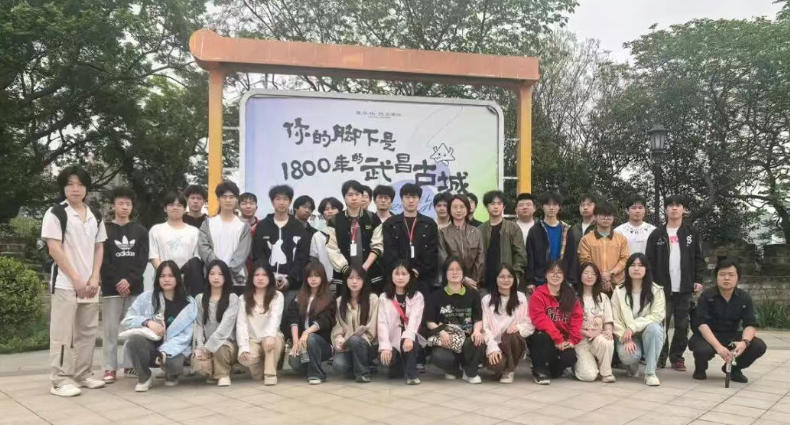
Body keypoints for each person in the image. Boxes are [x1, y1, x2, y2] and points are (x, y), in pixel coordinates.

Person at [42, 165, 108, 397]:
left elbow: (99, 247)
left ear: (87, 188)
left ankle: (83, 374)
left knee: (87, 332)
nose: (75, 188)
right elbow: (54, 248)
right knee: (63, 333)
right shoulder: (56, 213)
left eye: (80, 184)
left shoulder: (95, 215)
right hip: (65, 284)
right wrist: (76, 279)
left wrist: (94, 276)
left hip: (90, 285)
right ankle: (59, 380)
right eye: (70, 184)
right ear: (63, 187)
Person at [645, 195, 705, 371]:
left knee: (682, 325)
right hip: (662, 288)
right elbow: (649, 261)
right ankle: (660, 357)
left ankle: (677, 357)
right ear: (665, 210)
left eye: (678, 205)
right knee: (661, 324)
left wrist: (698, 279)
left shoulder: (691, 233)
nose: (674, 208)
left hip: (685, 288)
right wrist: (651, 284)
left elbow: (698, 257)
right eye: (670, 205)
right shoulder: (657, 234)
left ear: (683, 209)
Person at [121, 261, 197, 392]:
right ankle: (144, 377)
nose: (166, 279)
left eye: (170, 276)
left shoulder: (188, 303)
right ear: (157, 278)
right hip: (150, 347)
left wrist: (163, 352)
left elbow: (186, 336)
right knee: (133, 342)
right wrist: (147, 322)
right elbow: (127, 320)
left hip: (173, 350)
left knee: (174, 363)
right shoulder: (146, 298)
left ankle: (172, 374)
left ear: (177, 278)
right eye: (162, 276)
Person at [689, 258, 766, 383]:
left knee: (758, 345)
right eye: (722, 274)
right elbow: (702, 324)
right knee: (702, 350)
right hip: (708, 336)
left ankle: (733, 369)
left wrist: (744, 343)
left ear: (738, 277)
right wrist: (718, 347)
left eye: (731, 275)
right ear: (716, 277)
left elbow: (750, 324)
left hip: (731, 336)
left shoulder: (744, 298)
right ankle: (700, 368)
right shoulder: (707, 296)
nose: (726, 278)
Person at [100, 186, 149, 384]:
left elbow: (142, 259)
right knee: (110, 330)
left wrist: (129, 280)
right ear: (113, 206)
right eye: (120, 203)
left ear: (132, 206)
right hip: (111, 289)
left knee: (133, 328)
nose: (124, 207)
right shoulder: (104, 230)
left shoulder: (140, 231)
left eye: (128, 204)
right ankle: (109, 368)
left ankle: (130, 364)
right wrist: (117, 281)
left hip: (134, 288)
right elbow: (103, 260)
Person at [425, 257, 486, 384]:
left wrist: (476, 331)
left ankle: (470, 373)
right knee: (438, 356)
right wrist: (441, 331)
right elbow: (429, 321)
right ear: (445, 273)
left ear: (463, 273)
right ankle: (453, 370)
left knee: (479, 340)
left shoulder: (473, 294)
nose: (454, 272)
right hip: (447, 340)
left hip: (467, 340)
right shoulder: (436, 295)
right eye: (451, 269)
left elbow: (478, 318)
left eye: (458, 269)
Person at [611, 253, 666, 386]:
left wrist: (633, 327)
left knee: (654, 328)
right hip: (627, 334)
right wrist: (627, 338)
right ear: (627, 269)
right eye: (633, 265)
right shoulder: (619, 291)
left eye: (640, 265)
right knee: (628, 356)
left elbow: (657, 316)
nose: (636, 268)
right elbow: (615, 319)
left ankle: (650, 373)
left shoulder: (656, 290)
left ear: (646, 269)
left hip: (647, 332)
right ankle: (632, 366)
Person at [527, 260, 582, 385]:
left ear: (564, 275)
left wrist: (572, 341)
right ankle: (539, 370)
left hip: (563, 340)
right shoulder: (538, 295)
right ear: (546, 275)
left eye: (559, 272)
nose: (555, 275)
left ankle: (553, 371)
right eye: (552, 272)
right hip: (544, 337)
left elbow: (577, 319)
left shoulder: (571, 296)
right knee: (542, 337)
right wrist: (558, 339)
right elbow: (540, 319)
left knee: (570, 357)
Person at [252, 185, 309, 302]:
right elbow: (258, 254)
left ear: (290, 202)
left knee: (290, 313)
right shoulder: (262, 226)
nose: (281, 202)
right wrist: (268, 276)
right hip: (266, 284)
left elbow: (302, 257)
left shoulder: (298, 227)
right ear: (272, 201)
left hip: (292, 286)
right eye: (278, 199)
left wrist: (289, 280)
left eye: (285, 199)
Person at [326, 180, 384, 293]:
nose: (354, 198)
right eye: (350, 195)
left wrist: (364, 268)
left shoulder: (373, 218)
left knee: (370, 301)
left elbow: (378, 245)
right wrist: (346, 269)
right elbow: (331, 248)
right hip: (344, 275)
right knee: (344, 303)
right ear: (344, 197)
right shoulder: (335, 220)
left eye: (357, 194)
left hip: (370, 273)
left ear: (362, 196)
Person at [382, 183, 439, 295]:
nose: (411, 201)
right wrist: (403, 271)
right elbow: (389, 251)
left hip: (422, 279)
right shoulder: (391, 223)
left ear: (419, 200)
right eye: (407, 197)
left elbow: (432, 253)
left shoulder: (429, 223)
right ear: (402, 199)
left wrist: (417, 270)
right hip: (398, 279)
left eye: (414, 197)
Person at [286, 261, 337, 384]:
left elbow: (325, 320)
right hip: (302, 343)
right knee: (295, 363)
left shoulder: (329, 298)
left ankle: (317, 374)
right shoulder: (298, 297)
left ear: (322, 277)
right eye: (310, 276)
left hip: (322, 344)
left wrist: (306, 333)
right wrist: (295, 342)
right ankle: (310, 365)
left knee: (311, 338)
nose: (313, 279)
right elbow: (293, 319)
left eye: (316, 276)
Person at [481, 264, 533, 383]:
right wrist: (493, 348)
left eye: (509, 276)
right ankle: (501, 368)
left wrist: (518, 327)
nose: (506, 280)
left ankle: (509, 370)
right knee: (496, 364)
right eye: (502, 277)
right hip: (494, 342)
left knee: (512, 335)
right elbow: (485, 328)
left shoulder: (521, 298)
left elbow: (529, 323)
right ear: (496, 279)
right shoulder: (486, 300)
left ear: (514, 279)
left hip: (512, 342)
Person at [198, 181, 252, 294]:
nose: (228, 200)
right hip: (213, 279)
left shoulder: (244, 225)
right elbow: (203, 248)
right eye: (224, 197)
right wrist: (218, 270)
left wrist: (226, 271)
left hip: (237, 280)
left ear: (236, 199)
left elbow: (242, 253)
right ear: (218, 199)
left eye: (231, 197)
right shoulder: (207, 223)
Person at [193, 260, 240, 387]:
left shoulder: (232, 298)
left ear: (226, 277)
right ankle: (214, 370)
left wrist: (207, 348)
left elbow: (224, 329)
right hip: (207, 346)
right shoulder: (200, 298)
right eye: (212, 273)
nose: (216, 277)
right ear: (207, 276)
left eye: (220, 274)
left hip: (227, 344)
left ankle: (223, 374)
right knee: (199, 365)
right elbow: (198, 325)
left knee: (220, 347)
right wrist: (201, 347)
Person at [236, 263, 285, 386]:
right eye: (257, 275)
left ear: (270, 277)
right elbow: (241, 324)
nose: (260, 278)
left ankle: (270, 373)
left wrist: (270, 335)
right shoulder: (243, 298)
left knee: (273, 341)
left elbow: (275, 319)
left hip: (271, 337)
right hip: (253, 340)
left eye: (264, 275)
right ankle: (264, 367)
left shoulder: (277, 296)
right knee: (253, 370)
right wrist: (243, 347)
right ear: (251, 278)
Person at [377, 260, 424, 384]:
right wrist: (385, 347)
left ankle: (411, 376)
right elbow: (382, 323)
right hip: (392, 341)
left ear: (410, 276)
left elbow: (414, 320)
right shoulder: (384, 297)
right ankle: (399, 364)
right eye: (397, 274)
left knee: (410, 340)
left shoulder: (417, 296)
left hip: (409, 340)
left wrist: (409, 337)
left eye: (404, 274)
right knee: (393, 371)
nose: (400, 277)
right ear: (391, 276)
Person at [331, 267, 379, 382]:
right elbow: (338, 325)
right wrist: (338, 339)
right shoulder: (339, 301)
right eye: (351, 278)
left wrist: (357, 338)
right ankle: (361, 366)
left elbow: (373, 325)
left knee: (355, 340)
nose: (354, 281)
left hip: (368, 345)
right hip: (347, 346)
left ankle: (363, 374)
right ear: (346, 281)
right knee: (339, 365)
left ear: (364, 281)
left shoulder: (372, 299)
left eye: (358, 278)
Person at [148, 192, 201, 295]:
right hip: (163, 281)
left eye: (179, 205)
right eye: (171, 205)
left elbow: (197, 257)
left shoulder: (194, 231)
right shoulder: (156, 230)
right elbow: (154, 256)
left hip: (187, 281)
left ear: (185, 209)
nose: (175, 208)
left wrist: (180, 277)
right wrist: (168, 275)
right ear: (165, 208)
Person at [525, 192, 577, 293]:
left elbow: (572, 256)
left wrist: (571, 280)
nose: (551, 208)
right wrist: (530, 280)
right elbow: (530, 256)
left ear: (559, 207)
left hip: (562, 279)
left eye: (555, 204)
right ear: (542, 207)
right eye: (548, 204)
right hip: (540, 279)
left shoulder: (567, 230)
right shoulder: (535, 230)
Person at [573, 263, 615, 383]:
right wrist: (584, 332)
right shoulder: (573, 297)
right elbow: (568, 324)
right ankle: (580, 365)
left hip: (598, 337)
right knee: (588, 376)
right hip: (580, 341)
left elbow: (608, 320)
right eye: (586, 273)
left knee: (607, 340)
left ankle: (606, 373)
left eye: (593, 274)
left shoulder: (603, 297)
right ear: (580, 275)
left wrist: (608, 331)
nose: (589, 276)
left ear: (597, 277)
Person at [577, 201, 630, 293]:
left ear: (613, 217)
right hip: (594, 284)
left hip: (618, 285)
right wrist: (600, 275)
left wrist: (610, 273)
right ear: (595, 217)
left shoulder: (621, 239)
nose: (606, 218)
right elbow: (585, 260)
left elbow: (625, 259)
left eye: (609, 215)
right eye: (602, 215)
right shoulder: (586, 239)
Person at [479, 190, 526, 292]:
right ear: (486, 207)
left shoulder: (513, 228)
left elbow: (520, 254)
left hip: (507, 280)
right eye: (492, 204)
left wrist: (515, 275)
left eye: (499, 204)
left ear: (503, 207)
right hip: (485, 281)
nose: (496, 207)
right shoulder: (480, 230)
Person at [438, 195, 485, 288]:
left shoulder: (476, 232)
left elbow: (480, 259)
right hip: (450, 282)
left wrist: (473, 280)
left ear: (467, 209)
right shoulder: (442, 233)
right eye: (455, 207)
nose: (458, 210)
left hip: (473, 284)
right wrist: (462, 278)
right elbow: (443, 259)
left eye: (462, 207)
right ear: (449, 210)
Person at [310, 197, 344, 290]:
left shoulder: (348, 232)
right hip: (325, 282)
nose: (330, 211)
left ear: (340, 211)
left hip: (346, 280)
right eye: (326, 209)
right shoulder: (317, 236)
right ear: (322, 214)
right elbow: (314, 259)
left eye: (333, 208)